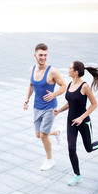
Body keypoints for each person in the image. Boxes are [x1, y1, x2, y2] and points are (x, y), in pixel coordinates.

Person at [53, 61, 98, 186]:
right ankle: (77, 175)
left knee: (89, 148)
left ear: (76, 72)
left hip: (84, 122)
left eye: (70, 68)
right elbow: (70, 103)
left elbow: (94, 104)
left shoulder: (84, 86)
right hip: (71, 122)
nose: (68, 70)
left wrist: (81, 118)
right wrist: (59, 110)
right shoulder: (69, 85)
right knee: (71, 148)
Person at [23, 43, 67, 171]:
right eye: (40, 55)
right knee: (39, 135)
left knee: (43, 135)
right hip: (37, 107)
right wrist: (27, 99)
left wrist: (54, 94)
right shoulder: (31, 70)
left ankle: (50, 160)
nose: (43, 57)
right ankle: (57, 133)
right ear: (35, 55)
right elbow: (31, 85)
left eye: (45, 55)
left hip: (50, 107)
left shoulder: (52, 71)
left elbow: (64, 86)